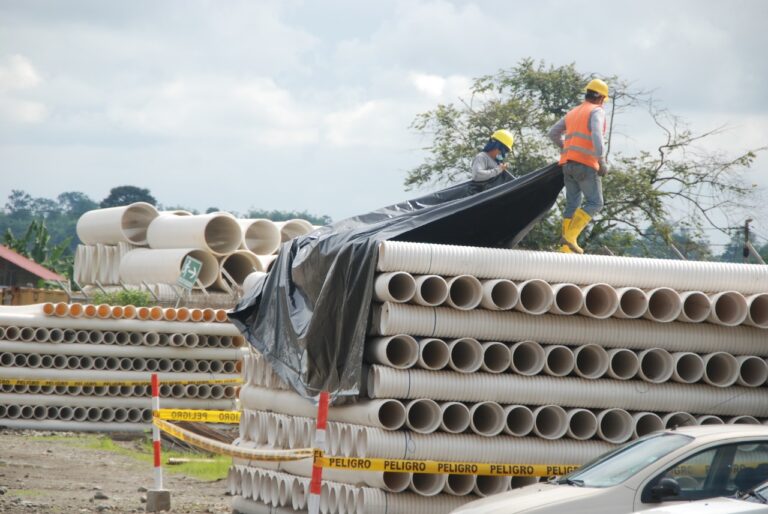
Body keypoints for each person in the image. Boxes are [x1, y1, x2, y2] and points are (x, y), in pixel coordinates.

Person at [548, 78, 609, 254]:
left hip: (568, 164)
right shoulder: (596, 111)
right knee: (595, 202)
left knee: (572, 204)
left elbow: (552, 133)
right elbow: (597, 135)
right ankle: (570, 237)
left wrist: (566, 147)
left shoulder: (573, 112)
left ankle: (565, 248)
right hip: (586, 164)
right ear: (601, 98)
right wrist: (601, 160)